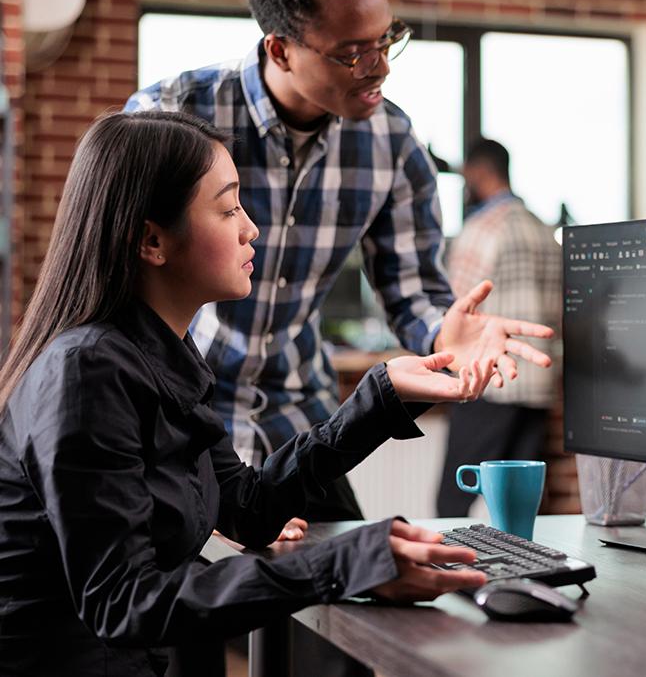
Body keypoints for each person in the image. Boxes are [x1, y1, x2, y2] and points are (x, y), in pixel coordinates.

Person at [0, 111, 493, 677]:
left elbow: (249, 508)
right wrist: (342, 563)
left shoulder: (162, 356)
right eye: (229, 207)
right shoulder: (86, 372)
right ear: (152, 240)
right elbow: (124, 601)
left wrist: (383, 396)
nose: (250, 229)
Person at [124, 0, 553, 522]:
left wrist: (442, 337)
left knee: (356, 588)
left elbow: (414, 293)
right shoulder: (173, 116)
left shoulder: (393, 142)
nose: (379, 68)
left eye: (387, 40)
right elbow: (120, 293)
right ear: (280, 49)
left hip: (297, 416)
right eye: (353, 52)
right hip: (176, 414)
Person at [437, 139, 562, 517]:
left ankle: (449, 575)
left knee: (452, 501)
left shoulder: (482, 228)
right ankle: (522, 572)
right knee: (520, 506)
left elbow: (455, 306)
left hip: (490, 383)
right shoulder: (541, 229)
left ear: (479, 171)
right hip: (538, 384)